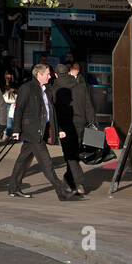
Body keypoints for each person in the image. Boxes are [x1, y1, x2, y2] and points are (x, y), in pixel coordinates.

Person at [8, 63, 82, 201]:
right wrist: (16, 130)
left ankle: (13, 187)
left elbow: (51, 112)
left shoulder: (47, 89)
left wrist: (57, 129)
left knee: (23, 160)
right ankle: (61, 191)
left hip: (40, 131)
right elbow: (19, 110)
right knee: (47, 163)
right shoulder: (27, 88)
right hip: (32, 131)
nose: (49, 76)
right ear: (39, 75)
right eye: (47, 74)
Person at [51, 62, 92, 195]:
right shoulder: (80, 87)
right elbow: (88, 107)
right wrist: (93, 123)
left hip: (65, 126)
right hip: (81, 124)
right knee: (74, 153)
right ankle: (68, 179)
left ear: (56, 75)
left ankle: (79, 182)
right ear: (68, 72)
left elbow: (53, 111)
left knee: (70, 155)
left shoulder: (54, 90)